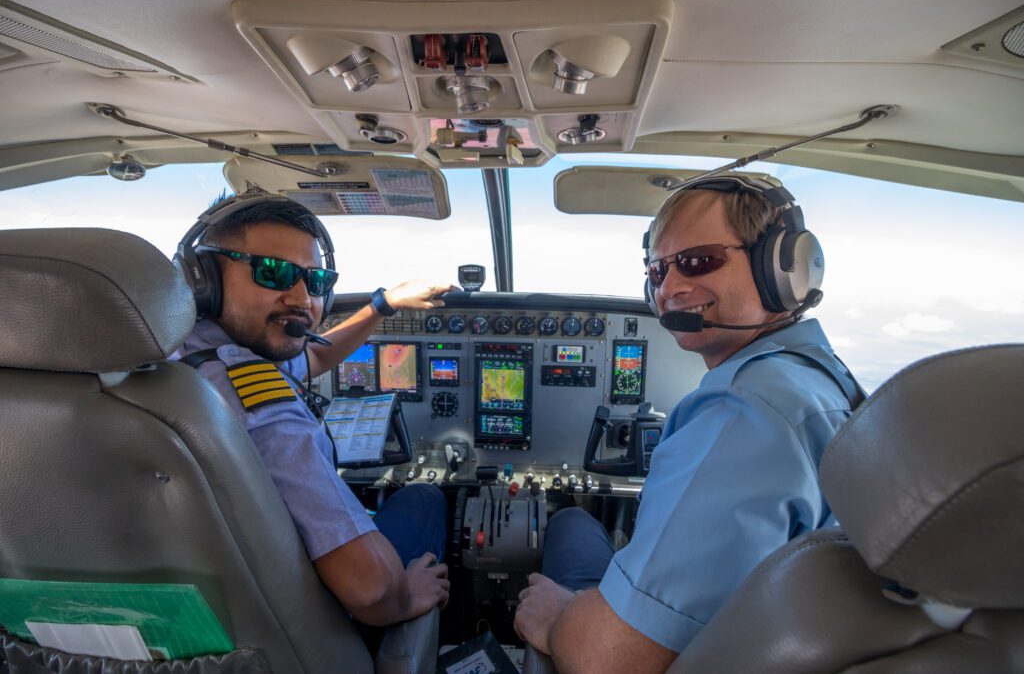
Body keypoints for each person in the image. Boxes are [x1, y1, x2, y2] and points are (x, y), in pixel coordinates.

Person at [515, 177, 865, 673]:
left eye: (699, 261)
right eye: (658, 270)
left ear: (783, 267)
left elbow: (611, 661)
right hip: (771, 638)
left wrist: (555, 618)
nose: (670, 288)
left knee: (568, 524)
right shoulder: (817, 378)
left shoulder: (744, 412)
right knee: (575, 522)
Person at [171, 192, 456, 628]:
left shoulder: (188, 352)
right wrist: (403, 594)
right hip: (305, 622)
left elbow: (316, 358)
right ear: (203, 277)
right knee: (424, 496)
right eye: (274, 272)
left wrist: (383, 304)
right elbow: (370, 587)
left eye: (316, 280)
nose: (302, 297)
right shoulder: (259, 401)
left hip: (224, 595)